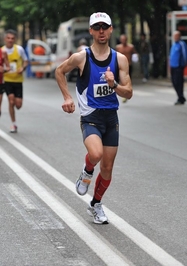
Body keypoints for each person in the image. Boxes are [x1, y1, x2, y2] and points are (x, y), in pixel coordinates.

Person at [55, 12, 133, 224]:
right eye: (96, 27)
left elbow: (129, 92)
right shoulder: (82, 57)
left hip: (111, 119)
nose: (101, 31)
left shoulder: (120, 59)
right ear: (91, 30)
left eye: (104, 27)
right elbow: (59, 71)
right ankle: (86, 171)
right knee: (96, 154)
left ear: (110, 30)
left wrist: (113, 84)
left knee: (107, 169)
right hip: (90, 117)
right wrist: (67, 97)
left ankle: (96, 204)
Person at [2, 29, 28, 133]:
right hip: (6, 80)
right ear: (5, 39)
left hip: (18, 80)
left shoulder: (19, 49)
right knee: (11, 101)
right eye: (8, 38)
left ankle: (14, 120)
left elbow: (26, 61)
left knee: (18, 105)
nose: (10, 40)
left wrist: (23, 68)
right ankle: (13, 124)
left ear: (15, 39)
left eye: (12, 38)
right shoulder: (2, 51)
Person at [169, 31, 187, 105]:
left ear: (179, 36)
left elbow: (185, 55)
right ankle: (181, 97)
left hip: (179, 66)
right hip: (173, 66)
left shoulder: (182, 44)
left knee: (179, 82)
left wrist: (184, 64)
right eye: (174, 36)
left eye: (176, 36)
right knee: (174, 82)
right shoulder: (174, 44)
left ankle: (180, 97)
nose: (175, 38)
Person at [116, 34, 137, 103]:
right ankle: (124, 94)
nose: (123, 41)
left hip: (129, 65)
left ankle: (127, 92)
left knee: (127, 80)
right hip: (120, 66)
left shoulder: (131, 47)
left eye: (124, 39)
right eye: (122, 39)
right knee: (121, 80)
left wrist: (135, 58)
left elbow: (135, 54)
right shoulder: (118, 47)